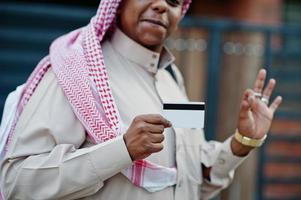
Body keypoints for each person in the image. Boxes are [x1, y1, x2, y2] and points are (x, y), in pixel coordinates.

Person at [0, 0, 282, 199]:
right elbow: (17, 183)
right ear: (119, 3)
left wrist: (241, 142)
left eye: (173, 1)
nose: (161, 5)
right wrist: (122, 150)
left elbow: (187, 175)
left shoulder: (172, 80)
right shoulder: (75, 71)